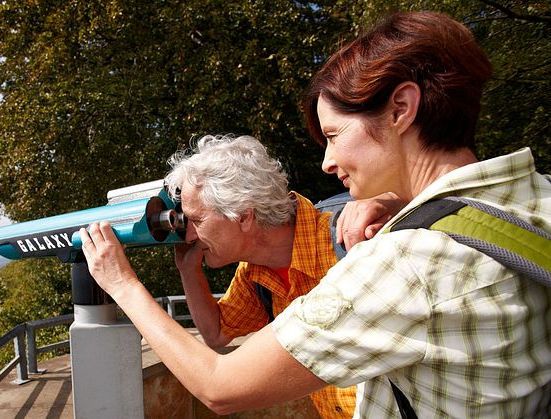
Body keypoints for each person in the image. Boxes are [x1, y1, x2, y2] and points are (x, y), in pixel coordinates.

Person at [79, 11, 551, 418]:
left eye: (334, 133)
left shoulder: (395, 258)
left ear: (401, 109)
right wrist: (404, 207)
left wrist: (121, 283)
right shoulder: (529, 196)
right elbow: (219, 332)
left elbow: (220, 385)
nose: (325, 162)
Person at [166, 134, 404, 418]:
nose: (189, 234)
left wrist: (396, 199)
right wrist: (188, 270)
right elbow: (216, 333)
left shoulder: (349, 235)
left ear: (243, 216)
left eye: (197, 220)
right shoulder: (254, 274)